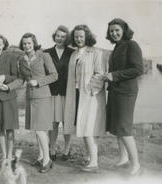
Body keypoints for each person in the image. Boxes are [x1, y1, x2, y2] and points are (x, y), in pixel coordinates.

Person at [8, 33, 58, 173]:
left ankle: (48, 160)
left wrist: (39, 82)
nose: (27, 46)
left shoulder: (44, 56)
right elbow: (22, 79)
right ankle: (42, 156)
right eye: (24, 44)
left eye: (29, 43)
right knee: (37, 130)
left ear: (34, 43)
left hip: (43, 97)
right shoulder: (22, 60)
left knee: (41, 129)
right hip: (30, 97)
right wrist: (8, 87)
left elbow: (54, 75)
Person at [103, 18, 143, 175]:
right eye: (111, 31)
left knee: (124, 128)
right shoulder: (117, 47)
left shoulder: (131, 45)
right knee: (117, 128)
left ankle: (136, 165)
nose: (114, 33)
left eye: (117, 30)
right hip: (116, 91)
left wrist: (113, 75)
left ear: (124, 30)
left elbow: (138, 69)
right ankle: (123, 159)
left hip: (126, 92)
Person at [64, 25, 107, 172]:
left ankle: (94, 163)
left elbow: (100, 74)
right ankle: (90, 158)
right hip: (76, 95)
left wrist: (90, 90)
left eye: (81, 36)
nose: (79, 39)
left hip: (90, 96)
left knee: (88, 128)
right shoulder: (74, 54)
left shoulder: (96, 52)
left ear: (87, 36)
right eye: (76, 36)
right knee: (82, 127)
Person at [44, 25, 74, 161]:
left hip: (68, 92)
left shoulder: (72, 52)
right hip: (52, 92)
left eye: (63, 36)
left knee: (67, 121)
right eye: (57, 36)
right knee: (53, 122)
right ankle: (52, 149)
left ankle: (67, 149)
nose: (60, 38)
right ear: (54, 36)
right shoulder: (47, 52)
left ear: (66, 38)